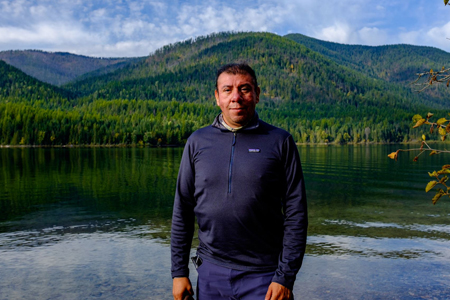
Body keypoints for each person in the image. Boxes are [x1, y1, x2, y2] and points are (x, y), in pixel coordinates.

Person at [171, 63, 308, 300]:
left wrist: (285, 277)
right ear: (217, 97)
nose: (236, 97)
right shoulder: (197, 142)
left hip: (265, 276)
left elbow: (297, 215)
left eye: (244, 89)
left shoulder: (280, 141)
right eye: (227, 90)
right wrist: (178, 272)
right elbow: (182, 210)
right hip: (211, 272)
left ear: (257, 94)